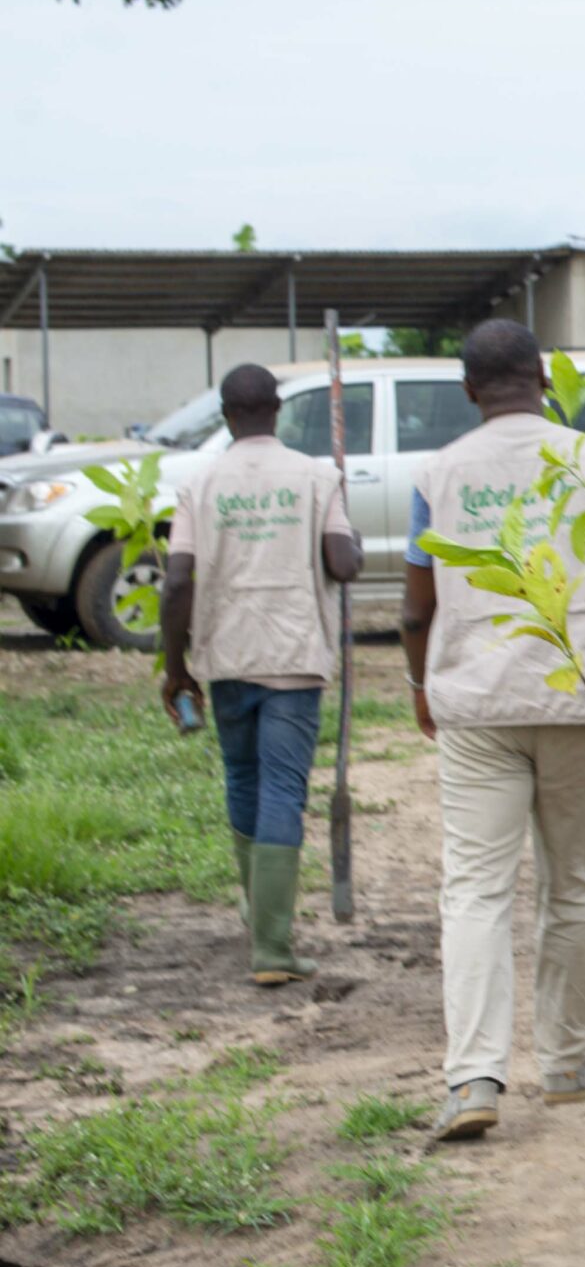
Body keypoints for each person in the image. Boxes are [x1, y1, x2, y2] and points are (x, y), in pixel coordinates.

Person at [402, 319, 585, 1144]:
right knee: (572, 880)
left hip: (475, 701)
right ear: (543, 378)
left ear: (470, 390)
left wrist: (418, 681)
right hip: (575, 694)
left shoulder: (439, 471)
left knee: (474, 888)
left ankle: (473, 1075)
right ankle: (571, 1062)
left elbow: (415, 603)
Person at [158, 363, 362, 985]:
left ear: (225, 416)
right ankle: (272, 948)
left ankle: (257, 910)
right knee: (281, 789)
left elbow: (176, 584)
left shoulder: (200, 483)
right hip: (294, 657)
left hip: (228, 656)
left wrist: (176, 668)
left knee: (243, 778)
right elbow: (344, 563)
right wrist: (339, 517)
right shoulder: (316, 476)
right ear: (277, 410)